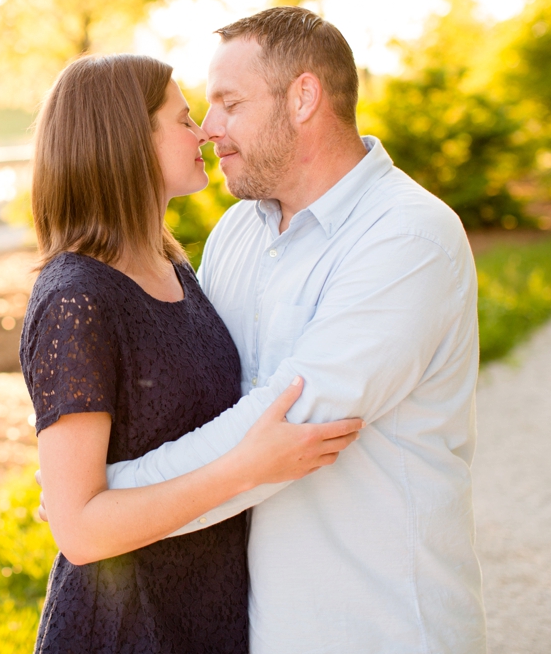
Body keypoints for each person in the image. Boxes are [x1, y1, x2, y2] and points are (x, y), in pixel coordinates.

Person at [91, 7, 488, 653]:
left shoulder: (408, 237)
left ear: (304, 97)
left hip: (384, 627)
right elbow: (194, 398)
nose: (208, 128)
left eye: (229, 103)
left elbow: (288, 427)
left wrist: (108, 499)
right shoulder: (236, 232)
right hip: (260, 627)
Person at [21, 53, 364, 654]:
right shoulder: (75, 298)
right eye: (183, 120)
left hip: (210, 610)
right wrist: (246, 468)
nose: (204, 130)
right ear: (126, 142)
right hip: (128, 625)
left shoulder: (172, 265)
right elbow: (78, 530)